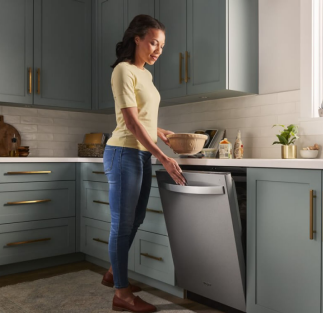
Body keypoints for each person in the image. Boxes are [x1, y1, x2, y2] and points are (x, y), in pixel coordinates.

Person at [101, 14, 186, 313]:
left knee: (135, 220)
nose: (157, 50)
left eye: (161, 46)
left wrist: (162, 133)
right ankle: (121, 295)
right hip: (123, 153)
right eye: (153, 42)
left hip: (141, 154)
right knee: (122, 225)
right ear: (136, 38)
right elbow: (131, 123)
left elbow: (145, 121)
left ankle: (114, 273)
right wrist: (163, 156)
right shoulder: (123, 71)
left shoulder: (146, 75)